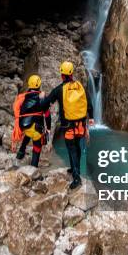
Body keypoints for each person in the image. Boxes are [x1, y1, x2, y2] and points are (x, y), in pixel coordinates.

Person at [44, 61, 93, 189]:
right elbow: (89, 102)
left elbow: (48, 101)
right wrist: (91, 117)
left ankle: (76, 178)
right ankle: (74, 168)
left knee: (71, 149)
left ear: (62, 74)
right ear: (71, 74)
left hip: (68, 126)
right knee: (77, 147)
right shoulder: (80, 86)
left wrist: (42, 100)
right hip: (81, 124)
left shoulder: (59, 89)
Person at [15, 74, 52, 168]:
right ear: (39, 85)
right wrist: (48, 129)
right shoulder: (42, 98)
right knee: (37, 146)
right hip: (35, 129)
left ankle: (20, 154)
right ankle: (33, 168)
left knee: (28, 133)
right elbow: (47, 115)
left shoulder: (24, 96)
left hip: (23, 126)